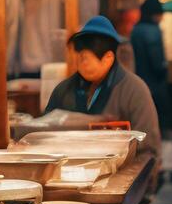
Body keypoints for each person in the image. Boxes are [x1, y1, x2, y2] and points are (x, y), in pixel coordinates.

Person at [45, 16, 161, 162]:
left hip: (122, 175)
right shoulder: (63, 90)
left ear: (108, 58)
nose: (81, 64)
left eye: (86, 59)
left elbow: (148, 147)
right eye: (79, 58)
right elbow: (47, 133)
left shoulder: (135, 90)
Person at [130, 0, 171, 131]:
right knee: (160, 118)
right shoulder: (152, 31)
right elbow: (157, 61)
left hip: (139, 80)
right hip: (154, 83)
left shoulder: (135, 30)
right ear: (154, 14)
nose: (162, 18)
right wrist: (164, 71)